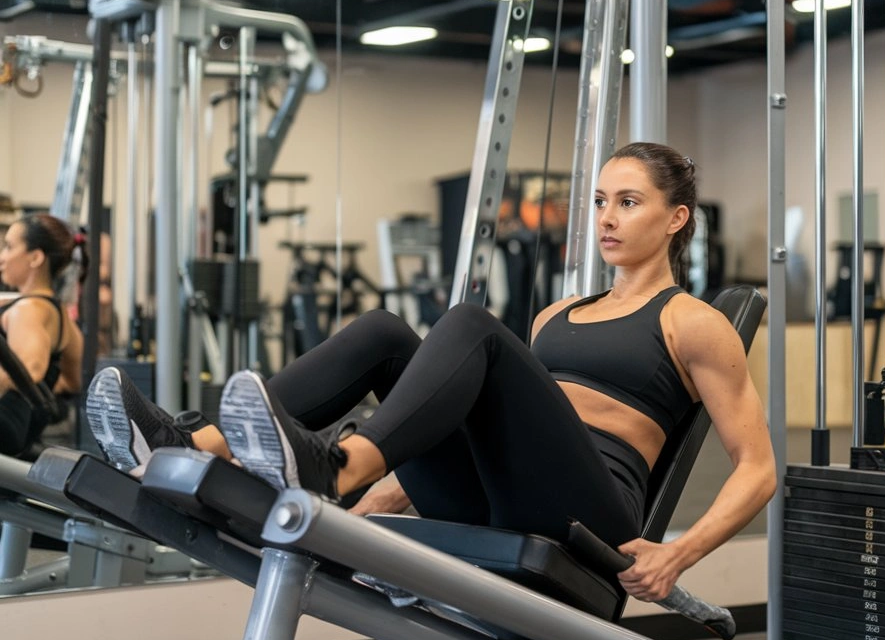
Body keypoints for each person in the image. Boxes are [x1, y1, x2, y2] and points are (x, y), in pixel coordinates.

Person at [86, 143, 775, 602]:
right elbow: (470, 420)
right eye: (599, 201)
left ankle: (335, 464)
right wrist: (385, 500)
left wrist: (678, 555)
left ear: (676, 218)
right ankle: (189, 445)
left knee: (470, 325)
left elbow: (758, 467)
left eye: (629, 202)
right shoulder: (557, 314)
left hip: (588, 521)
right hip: (500, 498)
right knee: (387, 332)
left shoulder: (691, 321)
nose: (606, 218)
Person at [0, 214, 86, 457]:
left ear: (36, 257)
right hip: (21, 432)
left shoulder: (29, 311)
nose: (2, 257)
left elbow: (30, 368)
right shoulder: (59, 314)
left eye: (9, 247)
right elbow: (73, 381)